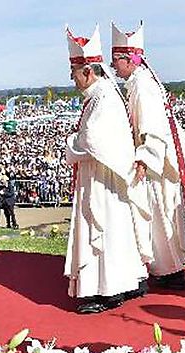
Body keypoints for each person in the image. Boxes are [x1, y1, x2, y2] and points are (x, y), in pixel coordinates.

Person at [111, 21, 185, 290]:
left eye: (116, 61)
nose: (113, 67)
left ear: (128, 59)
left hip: (156, 165)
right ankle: (167, 268)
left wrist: (145, 158)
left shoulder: (142, 85)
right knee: (162, 219)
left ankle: (169, 270)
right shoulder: (140, 81)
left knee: (161, 219)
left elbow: (153, 129)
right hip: (156, 161)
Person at [63, 25, 151, 314]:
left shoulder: (103, 97)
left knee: (105, 228)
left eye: (74, 72)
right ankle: (122, 282)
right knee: (115, 229)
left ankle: (109, 289)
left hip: (103, 180)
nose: (72, 79)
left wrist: (69, 142)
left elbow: (92, 140)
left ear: (88, 71)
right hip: (102, 175)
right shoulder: (101, 94)